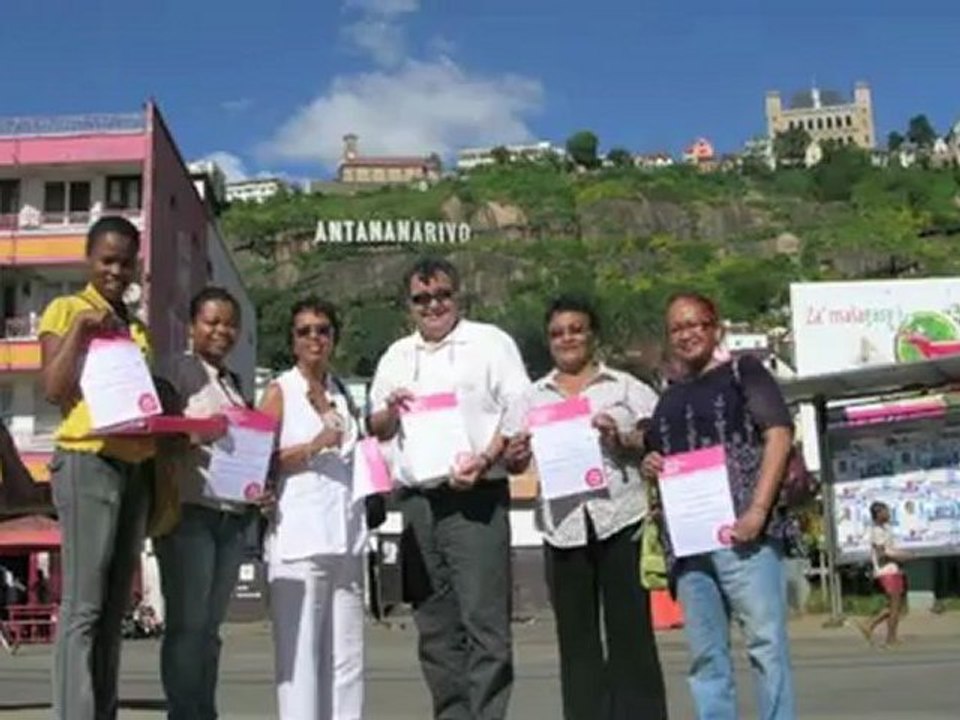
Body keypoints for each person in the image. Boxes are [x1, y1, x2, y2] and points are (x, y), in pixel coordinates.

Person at [368, 257, 530, 720]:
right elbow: (375, 426)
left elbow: (519, 407)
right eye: (422, 298)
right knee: (435, 628)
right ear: (409, 305)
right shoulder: (396, 355)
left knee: (485, 625)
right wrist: (391, 412)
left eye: (442, 295)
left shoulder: (490, 342)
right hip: (418, 504)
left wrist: (487, 457)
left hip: (475, 498)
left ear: (457, 295)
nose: (433, 305)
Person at [502, 295, 668, 720]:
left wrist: (623, 439)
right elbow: (511, 457)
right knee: (576, 644)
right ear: (548, 341)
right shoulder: (532, 397)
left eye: (576, 329)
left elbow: (658, 439)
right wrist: (516, 456)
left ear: (593, 334)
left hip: (620, 521)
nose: (567, 338)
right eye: (558, 332)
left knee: (631, 636)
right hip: (564, 528)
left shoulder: (626, 387)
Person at [641, 292, 796, 720]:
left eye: (696, 324)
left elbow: (779, 434)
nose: (687, 333)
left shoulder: (744, 371)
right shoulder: (670, 394)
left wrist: (758, 511)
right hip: (691, 544)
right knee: (706, 658)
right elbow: (657, 454)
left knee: (765, 647)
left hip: (745, 534)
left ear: (716, 328)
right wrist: (651, 462)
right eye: (677, 327)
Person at [39, 215, 155, 720]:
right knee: (82, 610)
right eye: (107, 260)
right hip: (87, 461)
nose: (116, 270)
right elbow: (53, 388)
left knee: (113, 613)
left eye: (125, 262)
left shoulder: (136, 328)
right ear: (90, 260)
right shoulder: (65, 309)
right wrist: (83, 329)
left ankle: (101, 711)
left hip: (134, 467)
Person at [154, 286, 259, 720]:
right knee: (187, 627)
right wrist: (197, 432)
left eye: (230, 323)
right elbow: (156, 432)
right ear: (192, 325)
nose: (222, 331)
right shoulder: (175, 372)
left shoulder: (233, 383)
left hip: (231, 516)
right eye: (212, 322)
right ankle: (185, 714)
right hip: (189, 514)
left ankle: (204, 712)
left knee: (211, 630)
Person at [259, 297, 366, 720]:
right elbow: (260, 459)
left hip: (347, 535)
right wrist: (312, 447)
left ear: (334, 337)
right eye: (304, 331)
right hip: (300, 538)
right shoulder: (279, 391)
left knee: (347, 657)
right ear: (292, 340)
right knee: (300, 658)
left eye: (322, 329)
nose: (314, 338)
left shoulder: (343, 393)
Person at [853, 501, 909, 647]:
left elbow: (890, 549)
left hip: (893, 569)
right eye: (885, 511)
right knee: (895, 606)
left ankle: (869, 624)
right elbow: (882, 553)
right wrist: (902, 556)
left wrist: (900, 558)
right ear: (878, 514)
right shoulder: (876, 532)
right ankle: (891, 638)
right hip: (886, 571)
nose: (888, 514)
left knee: (897, 606)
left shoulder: (886, 529)